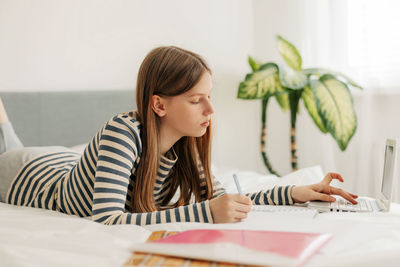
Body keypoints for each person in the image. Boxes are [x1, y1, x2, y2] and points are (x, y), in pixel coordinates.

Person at [0, 46, 358, 225]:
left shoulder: (187, 143)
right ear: (159, 105)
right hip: (26, 173)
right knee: (8, 141)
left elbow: (222, 198)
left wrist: (295, 192)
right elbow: (106, 220)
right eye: (196, 100)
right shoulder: (122, 132)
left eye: (209, 97)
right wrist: (203, 214)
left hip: (68, 161)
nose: (210, 110)